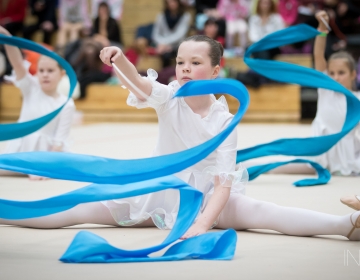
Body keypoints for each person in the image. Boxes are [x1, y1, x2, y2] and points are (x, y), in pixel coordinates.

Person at [0, 33, 359, 242]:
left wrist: (201, 224)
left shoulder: (225, 120)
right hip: (158, 190)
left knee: (265, 212)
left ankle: (347, 226)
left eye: (195, 62)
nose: (185, 68)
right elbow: (142, 84)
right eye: (181, 61)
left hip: (207, 199)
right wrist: (119, 59)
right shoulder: (170, 97)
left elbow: (223, 181)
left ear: (217, 70)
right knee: (78, 209)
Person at [0, 26, 75, 180]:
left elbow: (58, 142)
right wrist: (7, 36)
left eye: (50, 71)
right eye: (41, 71)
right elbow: (17, 63)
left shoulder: (66, 104)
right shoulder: (31, 88)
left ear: (61, 74)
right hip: (20, 153)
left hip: (45, 157)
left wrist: (45, 169)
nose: (45, 75)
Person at [311, 10, 360, 176]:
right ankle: (241, 164)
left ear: (353, 74)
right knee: (282, 166)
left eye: (341, 73)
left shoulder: (357, 99)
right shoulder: (326, 89)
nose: (336, 77)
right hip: (321, 151)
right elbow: (318, 54)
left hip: (347, 155)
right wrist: (322, 27)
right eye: (332, 73)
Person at [152, 0, 191, 68]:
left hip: (177, 45)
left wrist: (165, 44)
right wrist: (163, 44)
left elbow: (180, 35)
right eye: (169, 2)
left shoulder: (185, 16)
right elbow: (155, 34)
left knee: (170, 54)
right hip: (162, 45)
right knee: (165, 54)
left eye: (173, 1)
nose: (171, 4)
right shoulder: (161, 16)